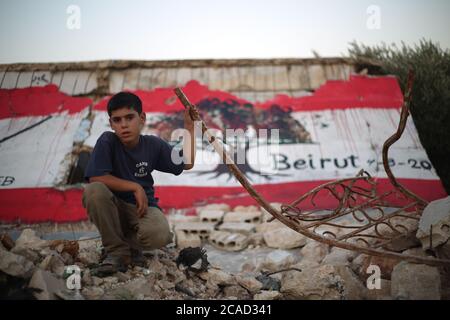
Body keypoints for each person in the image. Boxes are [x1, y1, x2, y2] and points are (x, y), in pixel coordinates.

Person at [82, 91, 198, 274]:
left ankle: (131, 246)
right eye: (117, 120)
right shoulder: (107, 141)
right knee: (94, 191)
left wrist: (190, 128)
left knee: (159, 234)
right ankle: (116, 253)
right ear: (111, 123)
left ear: (142, 118)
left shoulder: (153, 145)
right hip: (114, 207)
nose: (124, 125)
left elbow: (187, 163)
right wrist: (134, 186)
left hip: (141, 208)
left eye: (129, 118)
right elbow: (97, 177)